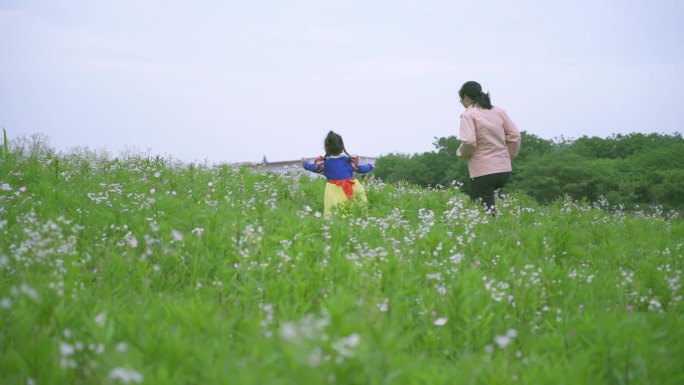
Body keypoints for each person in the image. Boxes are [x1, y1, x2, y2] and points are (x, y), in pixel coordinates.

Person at [456, 81, 521, 215]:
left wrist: (460, 153)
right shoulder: (498, 111)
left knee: (483, 214)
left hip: (483, 171)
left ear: (466, 97)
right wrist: (508, 157)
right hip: (504, 171)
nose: (462, 104)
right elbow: (514, 135)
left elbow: (469, 141)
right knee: (491, 208)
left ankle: (493, 233)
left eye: (461, 100)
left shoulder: (469, 114)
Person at [302, 131, 374, 216]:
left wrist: (305, 163)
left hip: (334, 192)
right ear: (342, 147)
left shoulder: (324, 164)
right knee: (355, 213)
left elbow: (312, 167)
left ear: (326, 148)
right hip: (353, 189)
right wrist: (370, 166)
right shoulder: (349, 161)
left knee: (336, 215)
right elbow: (361, 169)